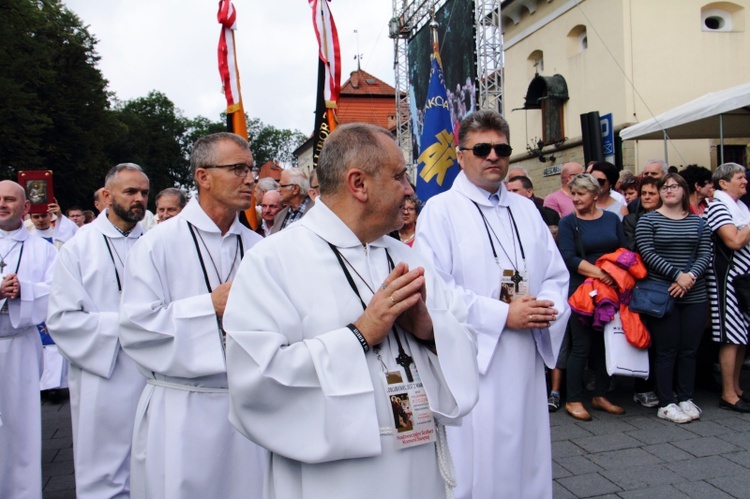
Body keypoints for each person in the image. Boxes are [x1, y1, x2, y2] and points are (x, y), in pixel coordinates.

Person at [224, 123, 478, 499]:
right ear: (358, 184)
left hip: (416, 457)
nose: (410, 189)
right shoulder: (273, 260)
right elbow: (255, 380)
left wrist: (428, 330)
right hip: (335, 479)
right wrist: (358, 334)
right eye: (399, 175)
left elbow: (465, 339)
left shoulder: (407, 257)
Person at [415, 110, 569, 498]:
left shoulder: (525, 209)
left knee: (526, 453)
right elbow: (435, 287)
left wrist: (544, 308)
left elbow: (555, 273)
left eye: (502, 149)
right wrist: (503, 314)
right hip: (476, 356)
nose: (493, 156)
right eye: (481, 148)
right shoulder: (440, 210)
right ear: (460, 154)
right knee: (479, 459)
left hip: (526, 353)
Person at [119, 133, 265, 498]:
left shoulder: (260, 248)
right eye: (237, 169)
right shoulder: (157, 244)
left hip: (248, 408)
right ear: (203, 176)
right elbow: (136, 329)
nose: (250, 179)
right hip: (182, 410)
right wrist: (208, 307)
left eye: (251, 169)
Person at [47, 163, 150, 498]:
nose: (139, 200)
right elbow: (62, 319)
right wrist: (126, 322)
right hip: (102, 373)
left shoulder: (156, 244)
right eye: (130, 192)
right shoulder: (78, 248)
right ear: (106, 196)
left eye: (144, 193)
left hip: (151, 370)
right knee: (104, 469)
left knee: (149, 462)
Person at [635, 174, 711, 423]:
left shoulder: (700, 223)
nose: (668, 190)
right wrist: (678, 275)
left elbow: (705, 254)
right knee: (666, 350)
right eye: (664, 187)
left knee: (689, 350)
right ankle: (666, 401)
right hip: (662, 294)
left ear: (684, 191)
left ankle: (685, 397)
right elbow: (647, 253)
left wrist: (689, 277)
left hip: (694, 294)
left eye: (674, 186)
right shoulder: (648, 220)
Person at [0, 180, 57, 499]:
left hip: (20, 343)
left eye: (10, 199)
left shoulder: (43, 249)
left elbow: (55, 292)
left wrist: (25, 291)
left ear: (25, 207)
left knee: (20, 425)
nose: (3, 204)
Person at [558, 173, 627, 421]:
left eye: (581, 194)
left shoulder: (611, 219)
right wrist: (601, 273)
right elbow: (568, 257)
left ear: (595, 195)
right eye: (573, 194)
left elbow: (622, 249)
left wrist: (612, 275)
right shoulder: (568, 223)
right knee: (581, 345)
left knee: (604, 344)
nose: (575, 198)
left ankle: (600, 395)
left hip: (609, 290)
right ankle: (574, 399)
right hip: (581, 289)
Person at [705, 163, 750, 412]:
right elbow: (733, 240)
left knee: (741, 336)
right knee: (731, 336)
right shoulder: (719, 206)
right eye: (740, 177)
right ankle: (728, 394)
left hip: (742, 279)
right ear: (723, 183)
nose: (745, 181)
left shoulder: (740, 207)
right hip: (726, 280)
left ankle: (737, 389)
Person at [270, 168, 314, 233]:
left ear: (295, 189)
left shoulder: (316, 211)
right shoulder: (280, 215)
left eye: (281, 186)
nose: (278, 190)